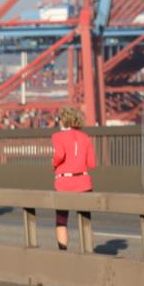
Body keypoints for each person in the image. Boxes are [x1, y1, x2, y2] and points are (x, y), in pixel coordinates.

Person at [52, 106, 96, 251]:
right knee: (85, 222)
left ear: (63, 120)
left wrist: (54, 164)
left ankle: (63, 254)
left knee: (61, 221)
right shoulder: (85, 137)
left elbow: (59, 155)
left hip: (64, 183)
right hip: (83, 182)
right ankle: (89, 252)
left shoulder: (57, 136)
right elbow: (92, 164)